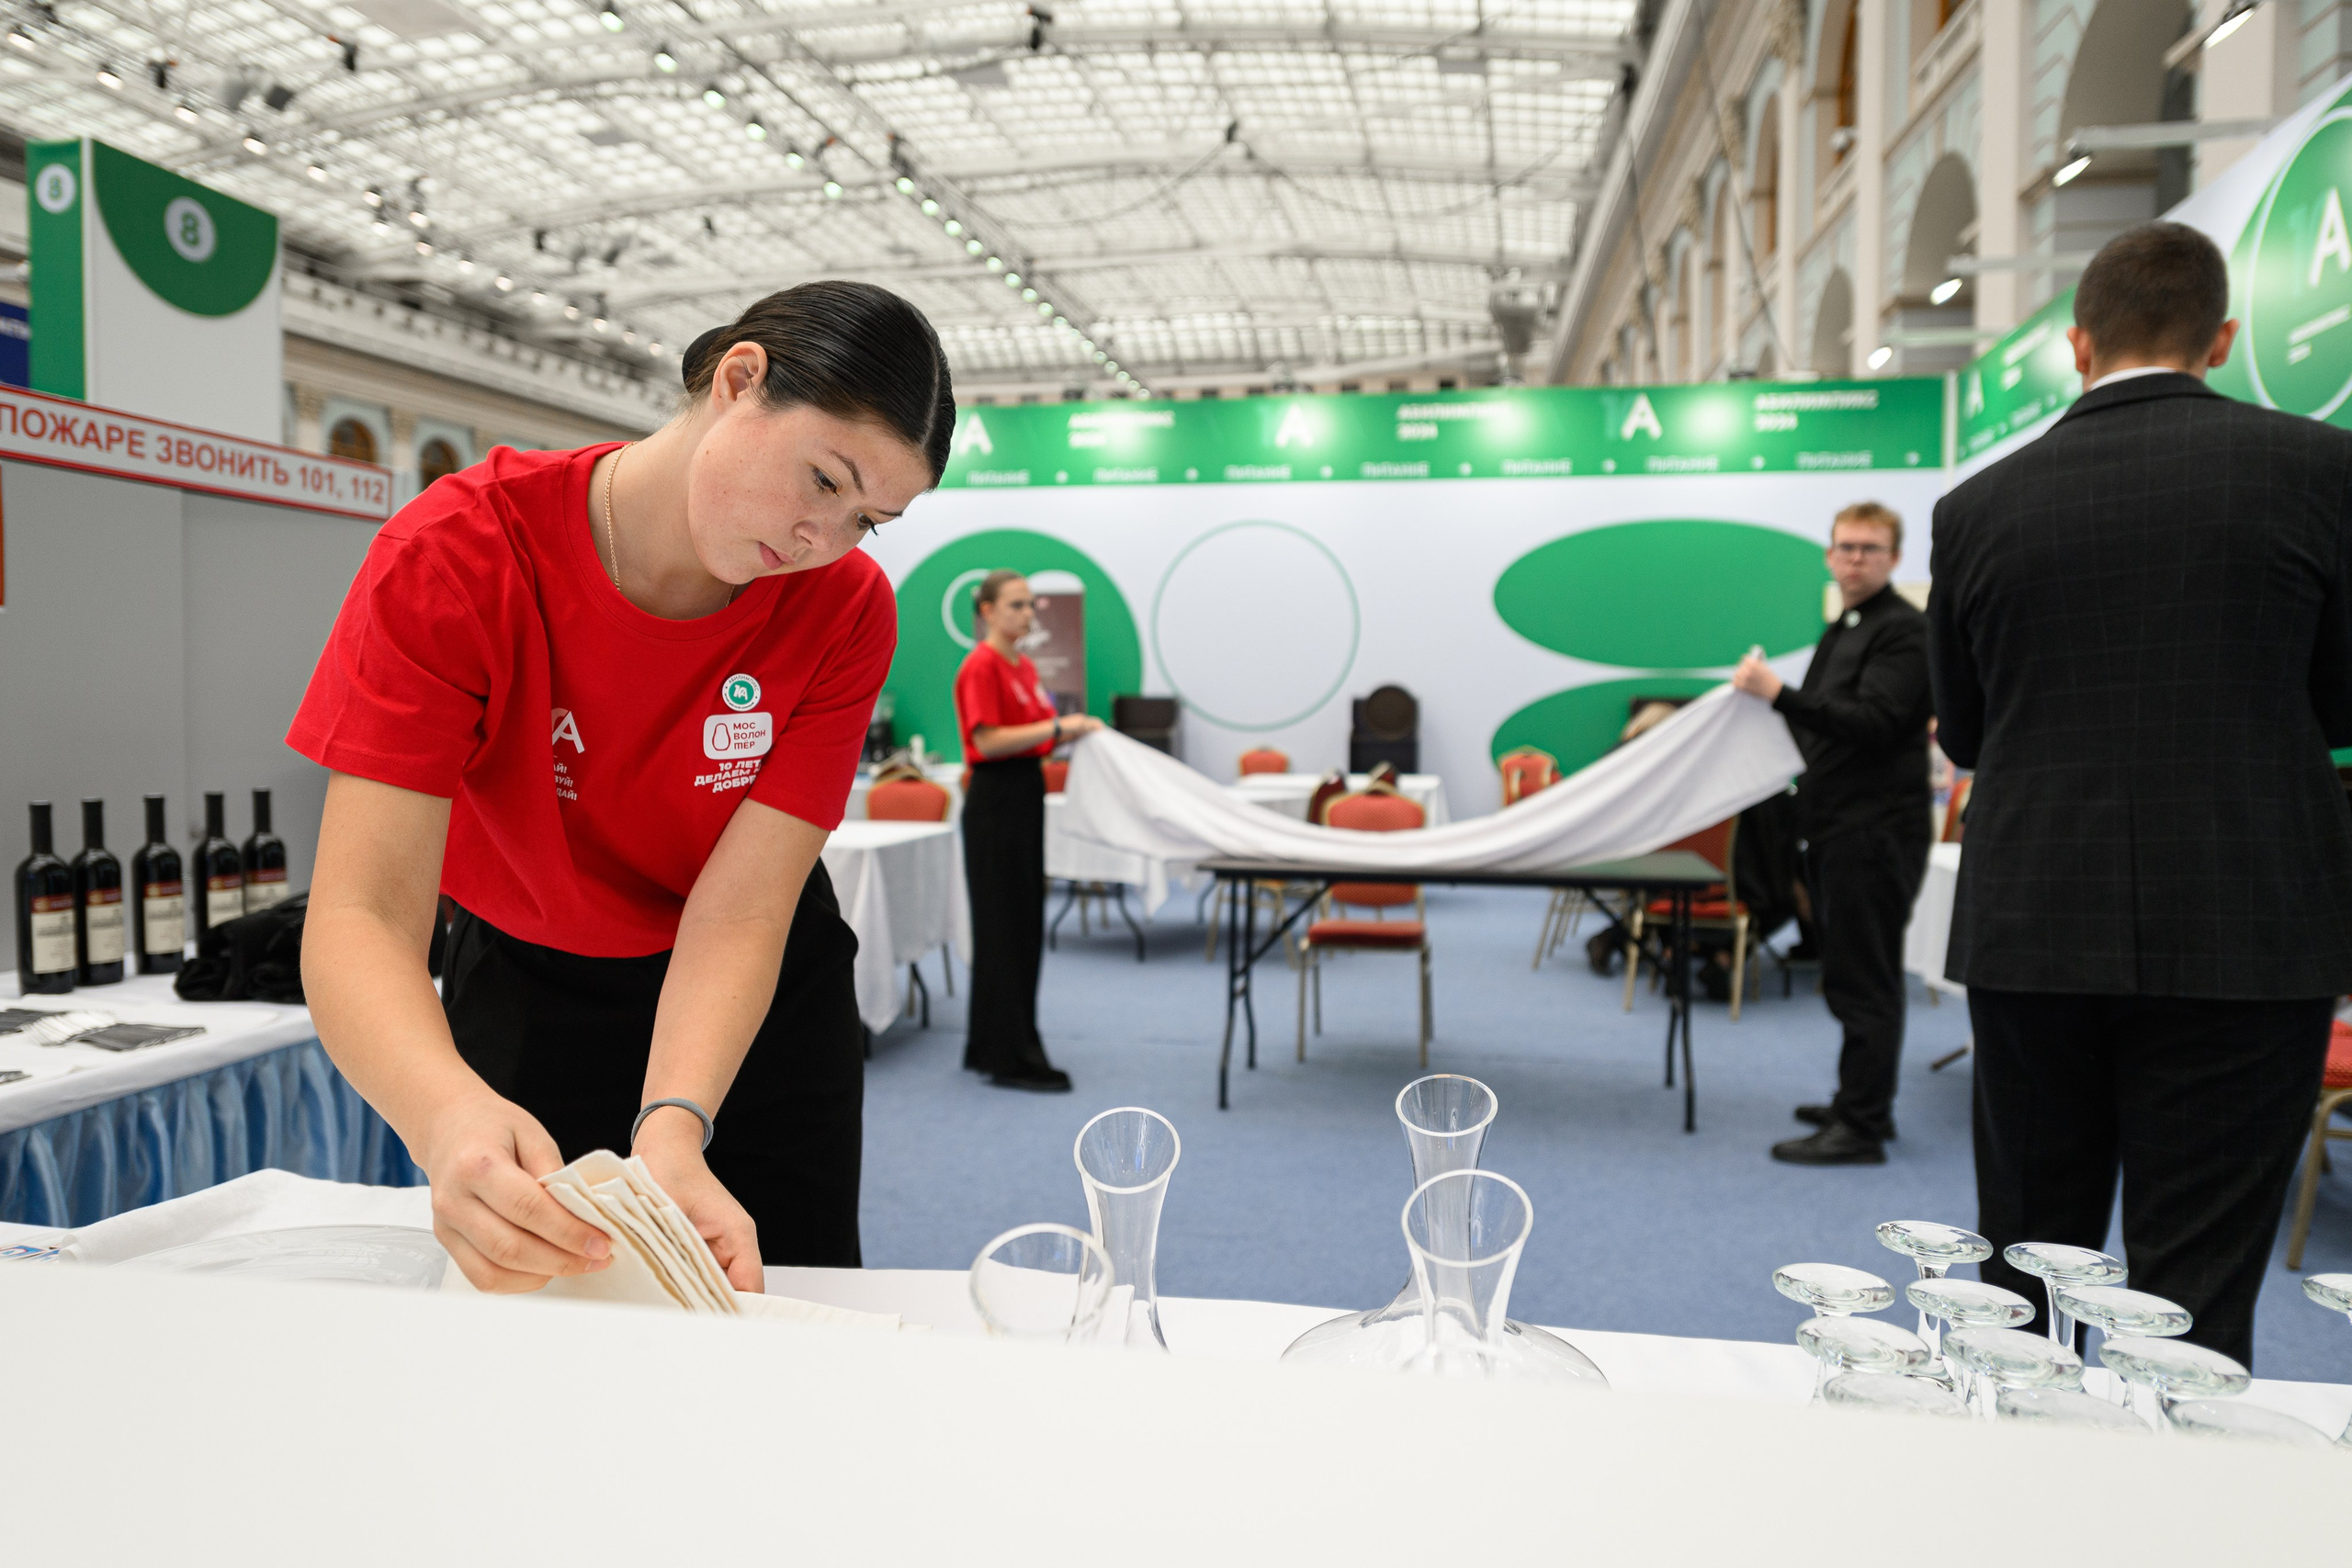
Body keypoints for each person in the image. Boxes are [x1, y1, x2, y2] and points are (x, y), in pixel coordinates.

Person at [291, 281, 953, 1294]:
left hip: (754, 1000)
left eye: (866, 519)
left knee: (789, 1311)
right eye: (823, 478)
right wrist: (444, 1116)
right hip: (528, 978)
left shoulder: (842, 609)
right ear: (739, 380)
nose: (823, 537)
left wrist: (676, 1126)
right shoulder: (458, 556)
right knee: (543, 1319)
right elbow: (362, 911)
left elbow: (741, 910)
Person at [1928, 220, 2352, 1367]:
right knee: (2196, 1289)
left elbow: (1963, 733)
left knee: (2020, 1269)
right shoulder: (2321, 471)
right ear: (2220, 337)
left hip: (2033, 925)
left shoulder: (1973, 509)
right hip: (2248, 922)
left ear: (2076, 345)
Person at [1733, 502, 1932, 1167]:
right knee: (1848, 973)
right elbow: (1822, 726)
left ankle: (1863, 1126)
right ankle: (1858, 1100)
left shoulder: (1905, 631)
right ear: (1828, 554)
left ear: (1895, 558)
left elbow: (1873, 720)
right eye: (1845, 547)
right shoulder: (1843, 626)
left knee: (1866, 979)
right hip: (1840, 825)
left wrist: (1777, 693)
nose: (1855, 559)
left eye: (1870, 548)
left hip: (1876, 832)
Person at [955, 570, 1103, 1091]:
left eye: (1030, 606)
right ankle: (1006, 1055)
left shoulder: (1023, 666)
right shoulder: (982, 666)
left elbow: (1034, 738)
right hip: (995, 801)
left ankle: (1009, 1042)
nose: (1028, 614)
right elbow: (990, 741)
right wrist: (1065, 726)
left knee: (1021, 930)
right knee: (1001, 930)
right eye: (1015, 605)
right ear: (988, 611)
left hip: (1024, 798)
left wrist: (1065, 734)